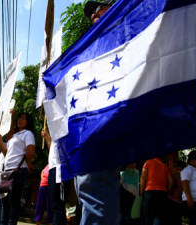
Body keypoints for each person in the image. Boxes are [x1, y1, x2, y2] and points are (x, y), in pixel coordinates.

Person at [71, 2, 120, 225]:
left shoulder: (122, 35)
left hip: (102, 124)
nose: (94, 14)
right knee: (88, 192)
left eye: (99, 7)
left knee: (95, 190)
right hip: (86, 126)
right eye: (91, 13)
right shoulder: (91, 44)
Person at [0, 112, 36, 225]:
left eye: (23, 118)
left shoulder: (28, 134)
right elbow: (6, 153)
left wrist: (25, 163)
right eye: (19, 118)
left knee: (13, 201)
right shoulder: (14, 136)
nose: (20, 120)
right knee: (5, 201)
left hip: (17, 171)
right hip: (7, 171)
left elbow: (31, 152)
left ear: (28, 122)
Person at [41, 129, 67, 225]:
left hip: (60, 168)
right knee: (54, 205)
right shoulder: (55, 132)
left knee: (58, 206)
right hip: (52, 167)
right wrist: (47, 137)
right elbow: (52, 148)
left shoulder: (64, 127)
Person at [140, 157, 172, 225]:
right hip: (162, 193)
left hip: (149, 192)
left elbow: (143, 178)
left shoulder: (147, 163)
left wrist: (141, 192)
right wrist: (167, 190)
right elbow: (170, 181)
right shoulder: (165, 166)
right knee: (160, 217)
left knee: (148, 217)